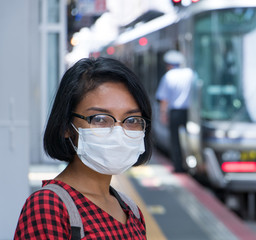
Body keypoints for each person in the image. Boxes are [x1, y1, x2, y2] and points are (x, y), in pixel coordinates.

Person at [14, 57, 152, 239]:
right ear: (66, 127)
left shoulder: (130, 210)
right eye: (100, 119)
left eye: (132, 120)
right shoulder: (48, 207)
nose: (119, 132)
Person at [156, 50, 194, 173]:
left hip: (175, 112)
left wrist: (163, 114)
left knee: (175, 140)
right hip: (190, 112)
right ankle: (191, 163)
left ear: (169, 65)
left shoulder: (168, 76)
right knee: (189, 138)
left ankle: (178, 166)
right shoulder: (190, 73)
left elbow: (164, 99)